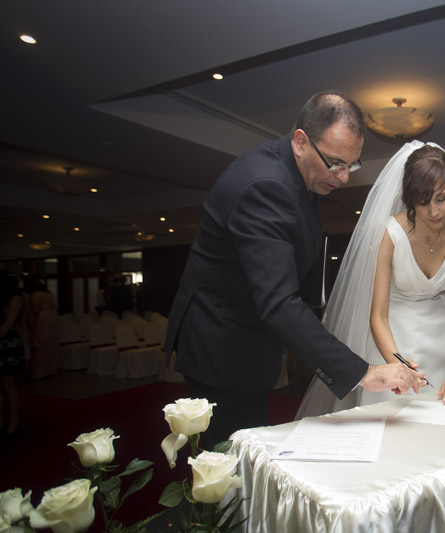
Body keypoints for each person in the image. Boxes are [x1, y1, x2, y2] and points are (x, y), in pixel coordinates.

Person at [163, 91, 422, 446]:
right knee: (232, 459)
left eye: (351, 164)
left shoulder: (297, 175)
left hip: (245, 337)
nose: (343, 177)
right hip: (221, 345)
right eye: (335, 163)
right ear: (300, 141)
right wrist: (366, 372)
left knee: (249, 449)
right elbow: (279, 302)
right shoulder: (265, 187)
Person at [295, 142, 445, 418]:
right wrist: (399, 364)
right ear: (408, 198)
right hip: (391, 341)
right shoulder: (389, 233)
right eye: (422, 202)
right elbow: (377, 315)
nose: (433, 211)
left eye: (441, 198)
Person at [0, 272, 26, 436]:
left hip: (8, 343)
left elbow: (9, 323)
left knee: (9, 382)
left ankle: (14, 420)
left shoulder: (16, 299)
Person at [26, 279, 60, 380]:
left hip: (43, 318)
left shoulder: (36, 295)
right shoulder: (49, 293)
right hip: (53, 317)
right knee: (52, 344)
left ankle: (39, 372)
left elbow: (36, 311)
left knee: (40, 345)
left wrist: (32, 326)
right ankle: (51, 369)